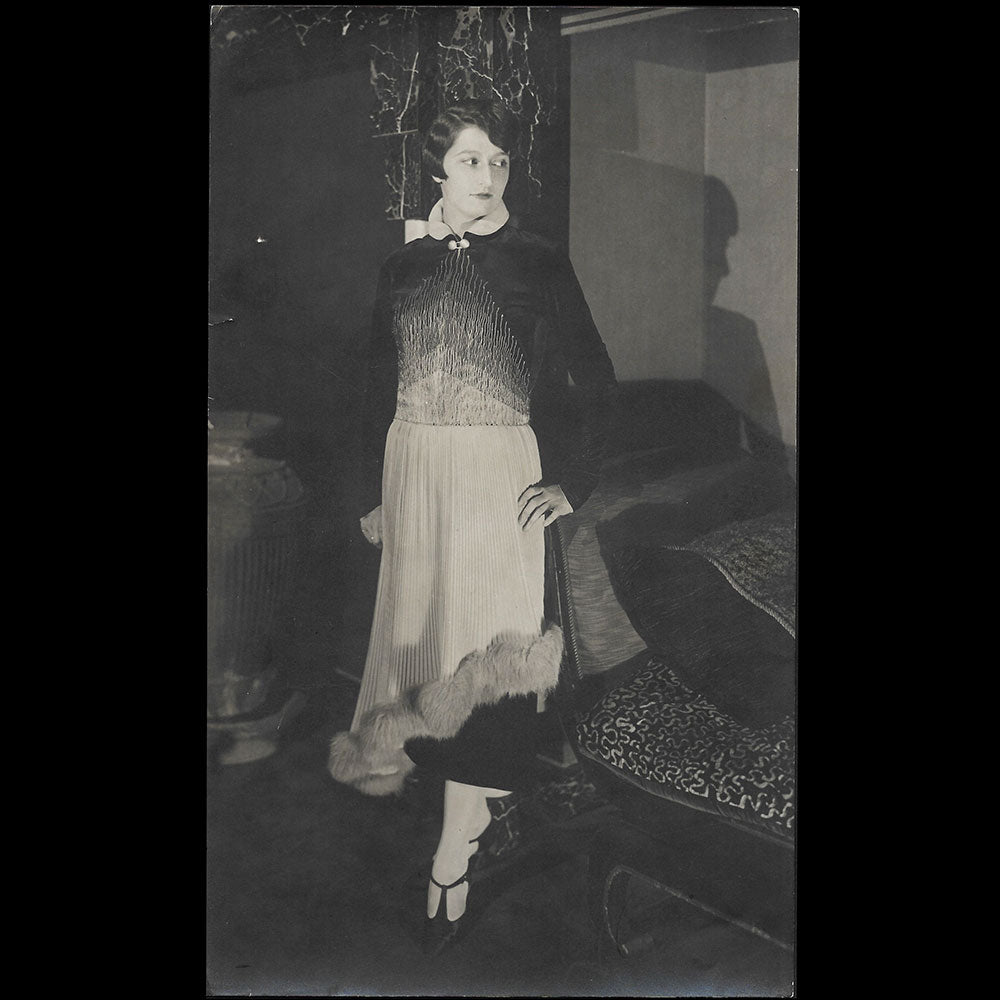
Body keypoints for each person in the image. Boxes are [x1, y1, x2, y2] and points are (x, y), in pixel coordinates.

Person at [328, 99, 616, 955]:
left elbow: (595, 378)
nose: (488, 176)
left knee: (491, 651)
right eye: (469, 161)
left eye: (499, 161)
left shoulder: (539, 258)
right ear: (437, 171)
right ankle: (475, 803)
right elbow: (370, 386)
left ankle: (454, 848)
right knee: (425, 645)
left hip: (498, 474)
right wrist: (373, 496)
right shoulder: (401, 266)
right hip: (415, 475)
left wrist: (574, 483)